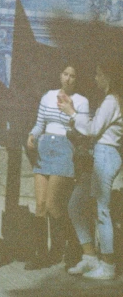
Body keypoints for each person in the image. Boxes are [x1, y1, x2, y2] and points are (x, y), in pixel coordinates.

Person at [58, 60, 123, 280]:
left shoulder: (111, 101)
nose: (95, 78)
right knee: (75, 205)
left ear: (108, 77)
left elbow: (93, 130)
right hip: (98, 155)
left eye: (98, 74)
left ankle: (108, 265)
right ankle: (90, 257)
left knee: (101, 211)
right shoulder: (111, 101)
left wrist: (72, 113)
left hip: (105, 154)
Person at [25, 64, 89, 269]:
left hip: (64, 148)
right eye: (65, 74)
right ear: (60, 75)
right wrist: (32, 135)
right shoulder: (48, 96)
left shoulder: (81, 101)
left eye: (73, 76)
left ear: (77, 79)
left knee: (54, 204)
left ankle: (67, 246)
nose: (68, 79)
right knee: (40, 205)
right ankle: (40, 254)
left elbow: (82, 129)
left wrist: (70, 111)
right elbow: (40, 122)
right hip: (45, 148)